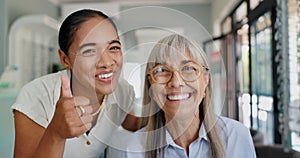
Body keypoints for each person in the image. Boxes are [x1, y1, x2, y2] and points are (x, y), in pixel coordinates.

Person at [12, 9, 138, 158]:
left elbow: (132, 124)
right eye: (89, 51)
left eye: (114, 48)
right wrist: (56, 134)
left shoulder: (123, 91)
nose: (107, 62)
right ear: (65, 59)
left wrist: (164, 103)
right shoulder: (36, 96)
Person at [107, 34, 256, 158]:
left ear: (206, 79)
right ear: (150, 85)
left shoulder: (237, 136)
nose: (176, 82)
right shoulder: (130, 150)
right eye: (162, 70)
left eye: (188, 68)